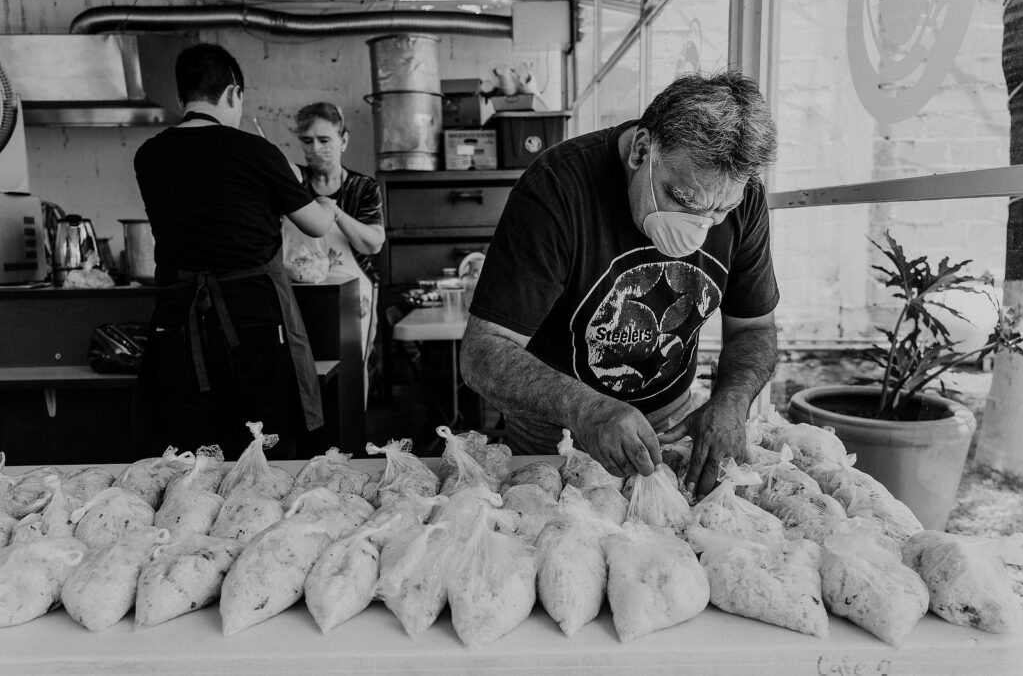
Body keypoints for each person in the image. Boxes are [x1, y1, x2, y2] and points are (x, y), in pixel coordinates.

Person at [460, 69, 779, 499]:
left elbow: (754, 328)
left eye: (721, 211)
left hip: (668, 429)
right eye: (683, 200)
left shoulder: (740, 192)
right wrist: (586, 409)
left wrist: (731, 403)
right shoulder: (556, 190)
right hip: (557, 436)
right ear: (642, 151)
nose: (700, 228)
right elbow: (483, 351)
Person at [132, 43, 341, 459]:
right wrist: (318, 196)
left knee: (193, 444)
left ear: (181, 98)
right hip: (253, 321)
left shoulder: (149, 155)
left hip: (179, 318)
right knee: (261, 440)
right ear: (232, 93)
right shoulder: (257, 152)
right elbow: (316, 225)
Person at [290, 102, 385, 369]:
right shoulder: (293, 184)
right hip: (303, 297)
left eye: (324, 140)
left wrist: (334, 212)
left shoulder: (363, 187)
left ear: (343, 140)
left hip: (355, 294)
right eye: (307, 141)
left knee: (354, 370)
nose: (315, 149)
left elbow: (373, 243)